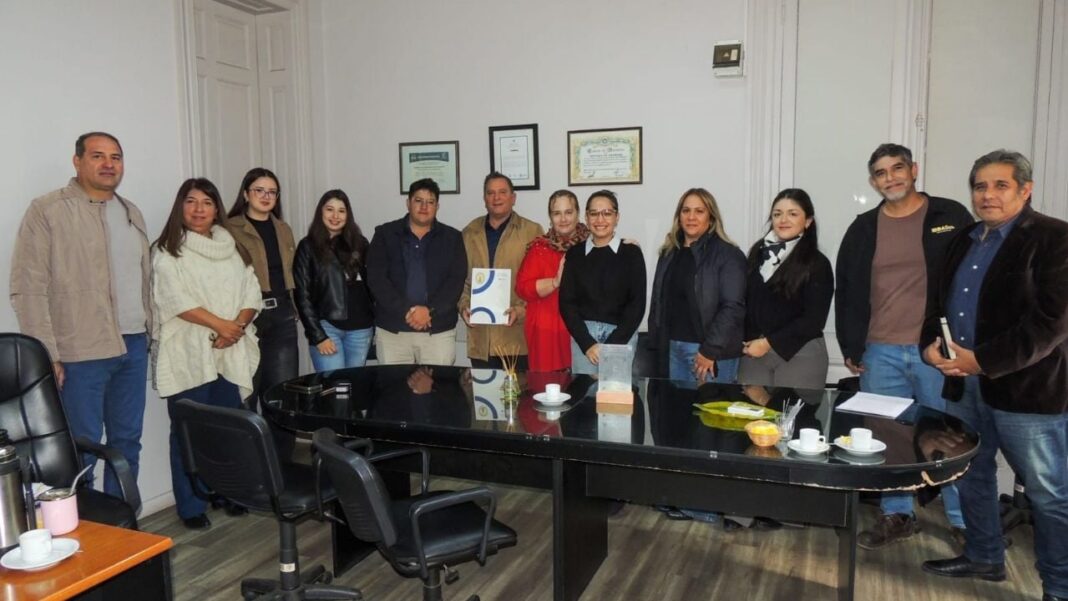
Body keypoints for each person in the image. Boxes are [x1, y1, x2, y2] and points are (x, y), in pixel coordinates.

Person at [919, 150, 1068, 601]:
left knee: (1048, 494)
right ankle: (984, 555)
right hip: (963, 385)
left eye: (1000, 185)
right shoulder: (962, 239)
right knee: (972, 473)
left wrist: (981, 360)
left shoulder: (1055, 238)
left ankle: (1059, 587)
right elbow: (937, 304)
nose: (988, 195)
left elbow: (1050, 325)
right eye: (980, 186)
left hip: (1028, 393)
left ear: (1026, 189)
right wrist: (929, 345)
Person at [836, 143, 974, 550]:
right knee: (887, 437)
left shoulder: (949, 216)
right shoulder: (863, 228)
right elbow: (847, 290)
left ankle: (964, 521)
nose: (890, 178)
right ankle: (897, 514)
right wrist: (851, 345)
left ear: (913, 169)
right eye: (881, 173)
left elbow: (971, 277)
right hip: (879, 351)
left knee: (949, 436)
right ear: (873, 181)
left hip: (936, 351)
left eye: (897, 168)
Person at [10, 132, 152, 497]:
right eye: (97, 156)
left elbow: (143, 280)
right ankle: (85, 525)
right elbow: (28, 288)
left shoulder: (131, 212)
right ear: (77, 161)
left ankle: (121, 521)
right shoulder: (48, 210)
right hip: (80, 353)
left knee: (127, 442)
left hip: (134, 345)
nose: (108, 164)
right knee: (81, 446)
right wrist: (47, 354)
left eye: (116, 157)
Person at [151, 178, 261, 529]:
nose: (199, 209)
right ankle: (191, 505)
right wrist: (222, 326)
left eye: (207, 202)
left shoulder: (233, 247)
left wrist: (236, 327)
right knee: (188, 432)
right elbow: (175, 300)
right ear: (180, 206)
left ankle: (229, 492)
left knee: (229, 430)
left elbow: (252, 292)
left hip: (229, 351)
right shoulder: (167, 250)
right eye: (191, 201)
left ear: (217, 209)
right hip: (189, 354)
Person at [738, 189, 833, 389]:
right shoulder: (757, 253)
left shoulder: (818, 263)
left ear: (808, 221)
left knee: (788, 410)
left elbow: (814, 319)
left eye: (793, 214)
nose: (783, 220)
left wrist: (768, 343)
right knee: (750, 409)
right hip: (754, 353)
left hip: (800, 353)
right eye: (777, 214)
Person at [648, 188, 745, 383]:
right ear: (679, 216)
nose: (691, 217)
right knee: (677, 403)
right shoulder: (668, 253)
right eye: (686, 211)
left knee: (711, 404)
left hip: (710, 354)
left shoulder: (728, 254)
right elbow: (658, 303)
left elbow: (733, 307)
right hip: (673, 349)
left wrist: (710, 350)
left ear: (711, 217)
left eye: (699, 211)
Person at [366, 178, 467, 365]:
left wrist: (430, 311)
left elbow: (455, 281)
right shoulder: (385, 234)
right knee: (394, 384)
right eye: (418, 200)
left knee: (437, 384)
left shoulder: (452, 238)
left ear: (437, 206)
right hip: (393, 331)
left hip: (437, 331)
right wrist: (407, 311)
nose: (424, 207)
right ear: (408, 203)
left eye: (430, 202)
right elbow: (376, 279)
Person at [225, 168, 297, 408]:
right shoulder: (228, 229)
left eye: (272, 192)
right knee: (246, 393)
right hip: (246, 317)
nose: (266, 196)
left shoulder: (284, 229)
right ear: (246, 194)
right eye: (259, 190)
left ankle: (277, 437)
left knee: (281, 396)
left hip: (282, 316)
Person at [459, 172, 543, 369]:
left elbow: (540, 283)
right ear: (484, 198)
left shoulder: (532, 232)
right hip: (481, 339)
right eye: (491, 193)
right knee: (484, 389)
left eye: (502, 192)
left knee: (518, 389)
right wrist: (463, 307)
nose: (496, 198)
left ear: (513, 198)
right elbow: (460, 280)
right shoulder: (469, 233)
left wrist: (521, 311)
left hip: (516, 338)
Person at [559, 190, 646, 375]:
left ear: (617, 217)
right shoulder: (575, 254)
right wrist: (587, 343)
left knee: (615, 393)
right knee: (584, 391)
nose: (600, 219)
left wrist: (611, 347)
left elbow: (637, 304)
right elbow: (566, 303)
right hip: (584, 339)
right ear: (586, 217)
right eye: (594, 213)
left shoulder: (631, 253)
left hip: (621, 337)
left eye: (607, 213)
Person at [293, 189, 374, 370]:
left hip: (361, 329)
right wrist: (318, 336)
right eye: (330, 209)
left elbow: (372, 284)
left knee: (355, 383)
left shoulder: (361, 243)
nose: (335, 216)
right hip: (327, 328)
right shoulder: (308, 246)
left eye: (341, 211)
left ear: (348, 215)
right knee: (332, 384)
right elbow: (302, 295)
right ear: (320, 212)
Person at [516, 189, 590, 372]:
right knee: (548, 387)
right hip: (547, 334)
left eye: (568, 212)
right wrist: (555, 282)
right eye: (557, 213)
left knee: (585, 386)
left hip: (586, 331)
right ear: (550, 217)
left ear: (578, 213)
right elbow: (522, 288)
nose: (563, 219)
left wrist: (626, 247)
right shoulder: (539, 248)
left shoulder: (593, 244)